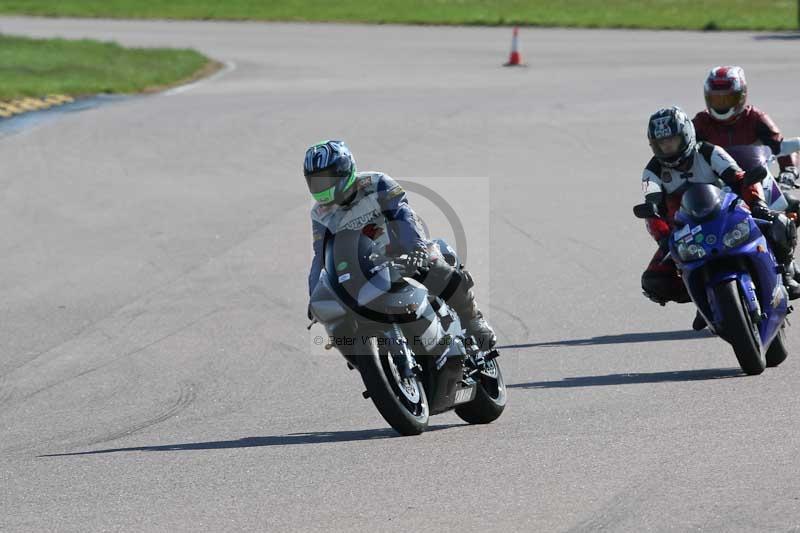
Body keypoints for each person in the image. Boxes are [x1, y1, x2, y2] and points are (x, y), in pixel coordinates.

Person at [304, 139, 496, 350]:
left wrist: (416, 249)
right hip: (364, 269)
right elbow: (320, 256)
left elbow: (402, 215)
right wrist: (315, 296)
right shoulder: (320, 214)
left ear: (344, 171)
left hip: (403, 252)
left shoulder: (377, 183)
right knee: (343, 322)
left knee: (435, 265)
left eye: (325, 180)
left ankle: (473, 319)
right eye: (315, 182)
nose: (321, 187)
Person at [640, 107, 800, 329]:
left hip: (729, 214)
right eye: (661, 144)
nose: (667, 148)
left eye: (672, 141)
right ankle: (704, 297)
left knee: (780, 224)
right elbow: (652, 206)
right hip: (685, 228)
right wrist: (664, 237)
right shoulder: (651, 172)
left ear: (686, 136)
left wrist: (758, 204)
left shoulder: (709, 152)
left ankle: (786, 272)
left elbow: (740, 177)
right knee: (654, 281)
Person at [693, 66, 799, 190]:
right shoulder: (701, 122)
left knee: (792, 204)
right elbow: (682, 150)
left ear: (742, 96)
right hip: (715, 188)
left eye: (727, 99)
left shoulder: (755, 117)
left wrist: (789, 170)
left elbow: (779, 145)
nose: (721, 105)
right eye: (716, 99)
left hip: (756, 183)